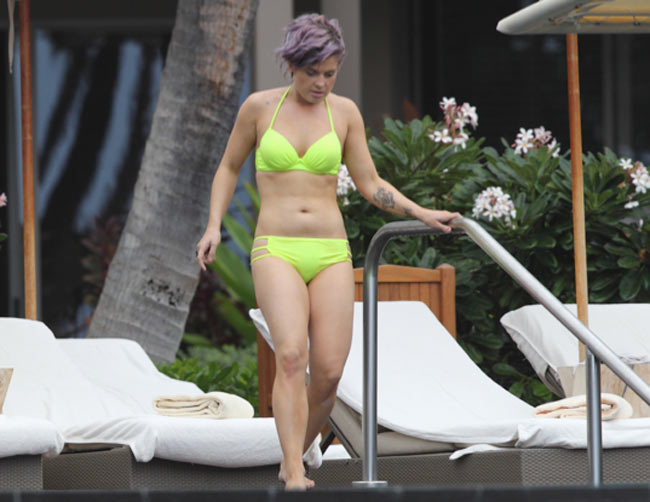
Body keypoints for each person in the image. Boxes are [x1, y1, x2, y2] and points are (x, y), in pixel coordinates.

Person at [196, 13, 460, 490]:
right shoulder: (259, 108)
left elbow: (370, 183)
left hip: (331, 251)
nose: (320, 83)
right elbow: (228, 167)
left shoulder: (344, 113)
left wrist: (421, 213)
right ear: (291, 65)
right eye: (311, 73)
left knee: (329, 375)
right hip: (276, 248)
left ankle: (291, 456)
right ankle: (295, 473)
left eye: (330, 73)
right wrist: (214, 225)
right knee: (291, 355)